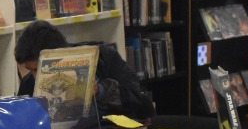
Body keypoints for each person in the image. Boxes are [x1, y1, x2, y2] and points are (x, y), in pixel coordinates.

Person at [14, 20, 154, 123]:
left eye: (39, 69)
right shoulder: (29, 84)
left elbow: (135, 97)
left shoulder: (103, 58)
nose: (35, 76)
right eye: (30, 69)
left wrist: (100, 91)